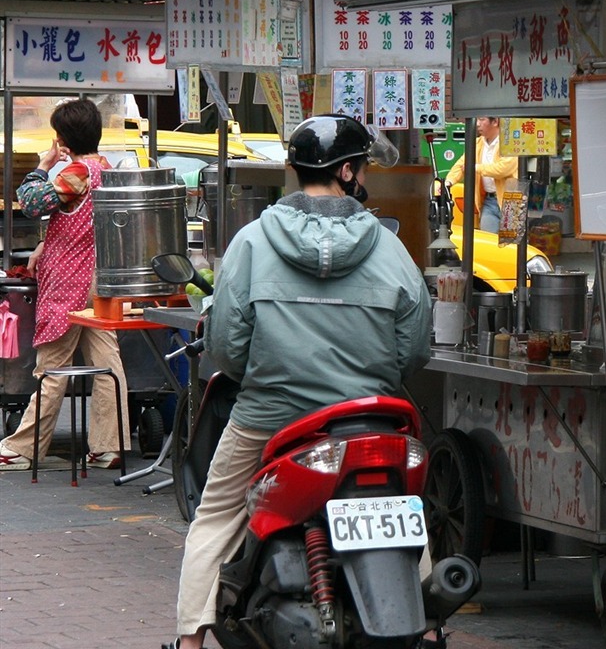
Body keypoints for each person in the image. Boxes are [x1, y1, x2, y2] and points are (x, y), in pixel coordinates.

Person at [164, 115, 432, 649]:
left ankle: (191, 641)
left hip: (269, 415)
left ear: (295, 170)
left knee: (216, 515)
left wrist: (266, 380)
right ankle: (426, 626)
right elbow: (415, 348)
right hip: (367, 419)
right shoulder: (389, 247)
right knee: (404, 507)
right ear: (350, 171)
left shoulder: (251, 242)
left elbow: (226, 349)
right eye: (361, 171)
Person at [0, 98, 130, 471]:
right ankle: (110, 444)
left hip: (68, 284)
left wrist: (42, 166)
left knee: (52, 367)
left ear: (63, 139)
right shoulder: (106, 168)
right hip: (99, 282)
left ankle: (23, 449)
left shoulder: (78, 172)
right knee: (107, 362)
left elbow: (31, 203)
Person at [445, 115, 517, 233]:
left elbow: (503, 169)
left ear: (495, 122)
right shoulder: (478, 143)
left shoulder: (510, 142)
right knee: (489, 240)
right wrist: (449, 182)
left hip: (511, 200)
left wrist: (475, 168)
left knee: (511, 244)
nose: (477, 123)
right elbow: (461, 164)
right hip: (488, 201)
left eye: (482, 119)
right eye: (477, 119)